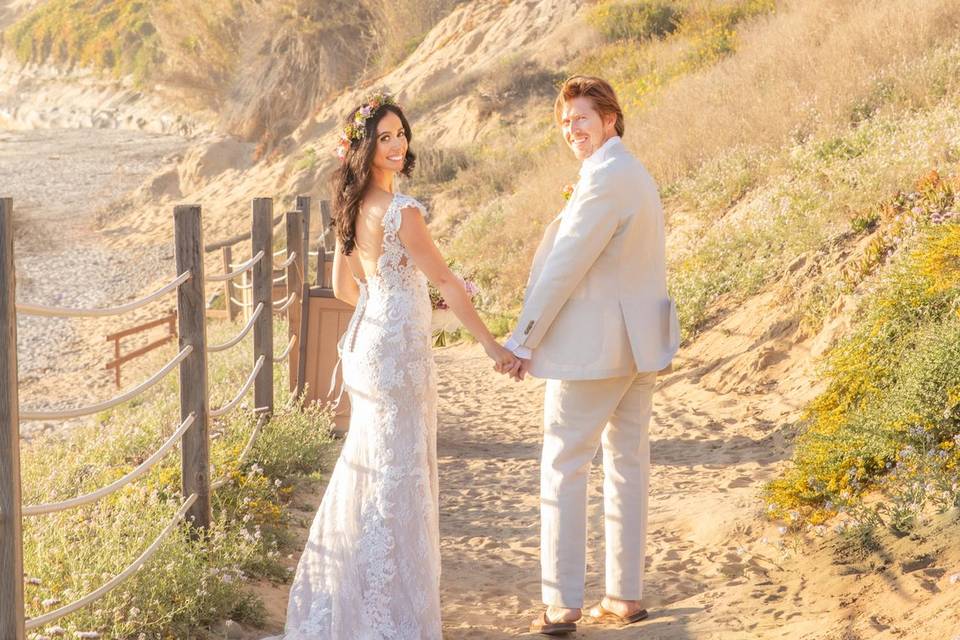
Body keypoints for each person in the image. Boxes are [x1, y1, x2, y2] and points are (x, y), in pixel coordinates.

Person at [269, 92, 518, 640]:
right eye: (385, 137)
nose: (398, 144)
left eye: (401, 134)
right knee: (399, 478)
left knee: (371, 469)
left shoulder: (351, 207)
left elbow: (342, 288)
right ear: (364, 146)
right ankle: (388, 616)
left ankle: (351, 601)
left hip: (367, 346)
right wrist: (491, 346)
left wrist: (396, 301)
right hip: (398, 358)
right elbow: (448, 282)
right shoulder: (403, 213)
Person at [503, 75, 679, 636]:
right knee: (626, 467)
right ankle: (623, 597)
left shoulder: (606, 178)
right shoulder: (633, 173)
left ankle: (560, 606)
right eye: (564, 122)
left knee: (564, 464)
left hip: (597, 352)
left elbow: (565, 266)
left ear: (610, 119)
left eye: (581, 118)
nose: (571, 129)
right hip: (638, 348)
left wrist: (523, 338)